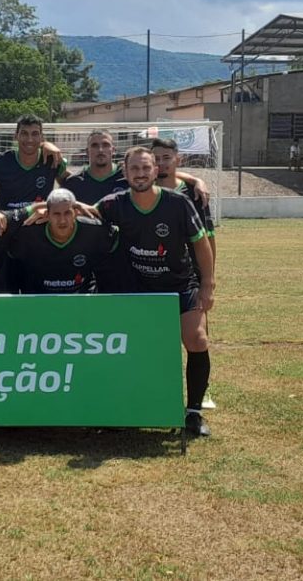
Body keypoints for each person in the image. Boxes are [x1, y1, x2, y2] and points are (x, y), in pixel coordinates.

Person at [96, 146, 215, 437]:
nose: (141, 174)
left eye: (146, 168)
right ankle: (131, 406)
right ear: (125, 173)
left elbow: (201, 244)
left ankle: (194, 412)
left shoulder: (178, 203)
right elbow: (80, 214)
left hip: (180, 285)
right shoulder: (113, 204)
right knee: (134, 347)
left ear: (155, 171)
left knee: (197, 339)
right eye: (135, 169)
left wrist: (208, 285)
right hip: (138, 288)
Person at [9, 188, 115, 293]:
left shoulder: (95, 230)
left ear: (76, 213)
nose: (62, 220)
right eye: (56, 214)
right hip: (39, 299)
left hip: (82, 298)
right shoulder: (27, 234)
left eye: (67, 213)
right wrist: (32, 209)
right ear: (47, 215)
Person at [0, 114, 67, 210]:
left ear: (42, 137)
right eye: (24, 133)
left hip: (40, 219)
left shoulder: (52, 160)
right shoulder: (1, 162)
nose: (29, 139)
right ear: (16, 136)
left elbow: (73, 184)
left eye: (35, 134)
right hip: (8, 218)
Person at [64, 129, 129, 206]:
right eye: (95, 146)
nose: (100, 150)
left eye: (105, 145)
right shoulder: (74, 182)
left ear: (113, 150)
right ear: (87, 151)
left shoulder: (127, 178)